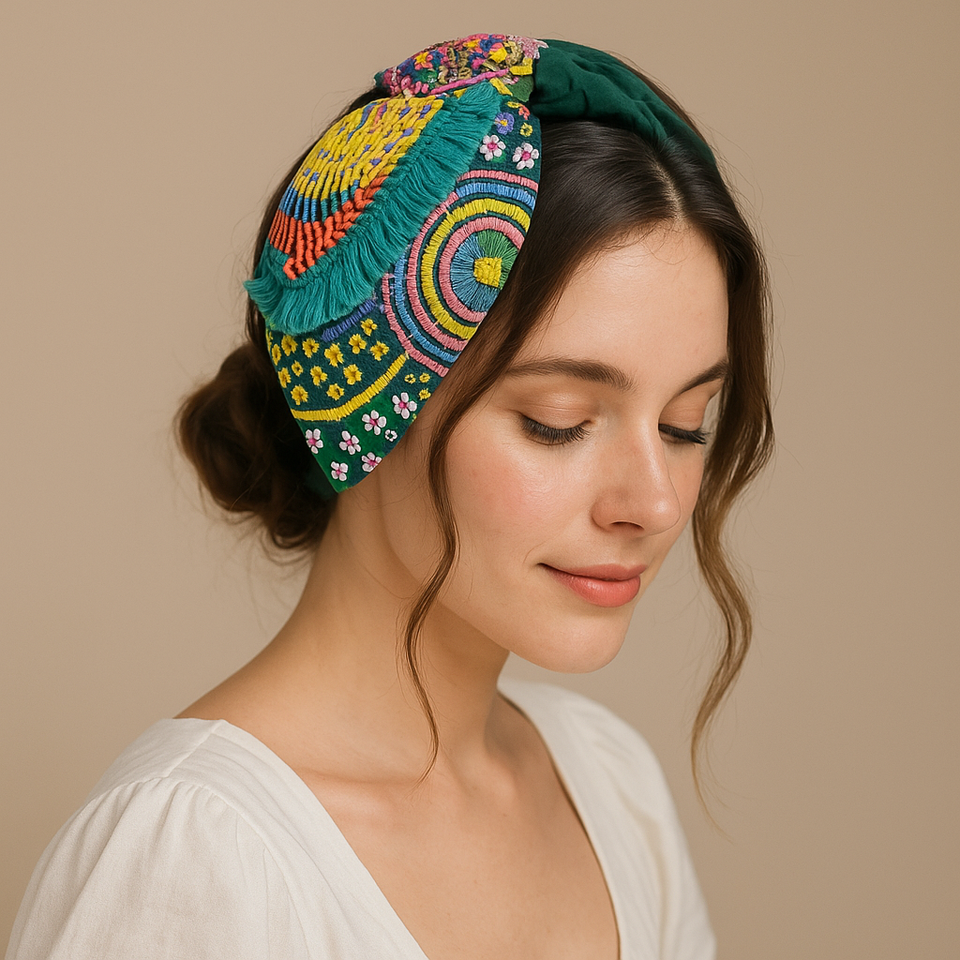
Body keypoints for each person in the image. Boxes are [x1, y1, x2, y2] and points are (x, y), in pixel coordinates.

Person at [7, 34, 772, 960]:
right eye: (559, 421)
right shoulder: (195, 862)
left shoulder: (610, 787)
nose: (654, 502)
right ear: (372, 404)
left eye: (686, 424)